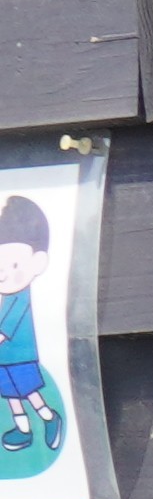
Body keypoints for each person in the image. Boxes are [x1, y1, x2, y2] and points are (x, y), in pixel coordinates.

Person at [0, 192, 58, 478]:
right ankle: (22, 428)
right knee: (10, 394)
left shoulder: (19, 298)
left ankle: (48, 417)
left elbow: (7, 327)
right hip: (2, 361)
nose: (2, 274)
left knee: (29, 390)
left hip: (20, 355)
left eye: (11, 265)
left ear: (37, 263)